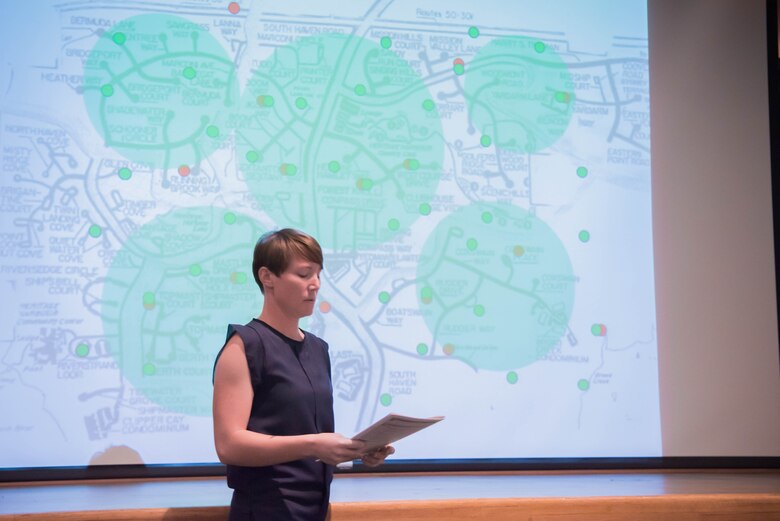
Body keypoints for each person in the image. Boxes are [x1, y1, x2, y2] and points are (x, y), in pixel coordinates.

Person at [212, 228, 394, 520]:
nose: (315, 285)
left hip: (315, 508)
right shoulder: (245, 345)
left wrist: (358, 450)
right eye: (304, 274)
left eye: (319, 275)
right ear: (267, 277)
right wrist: (314, 444)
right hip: (265, 510)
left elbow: (305, 430)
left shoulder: (318, 348)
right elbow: (229, 445)